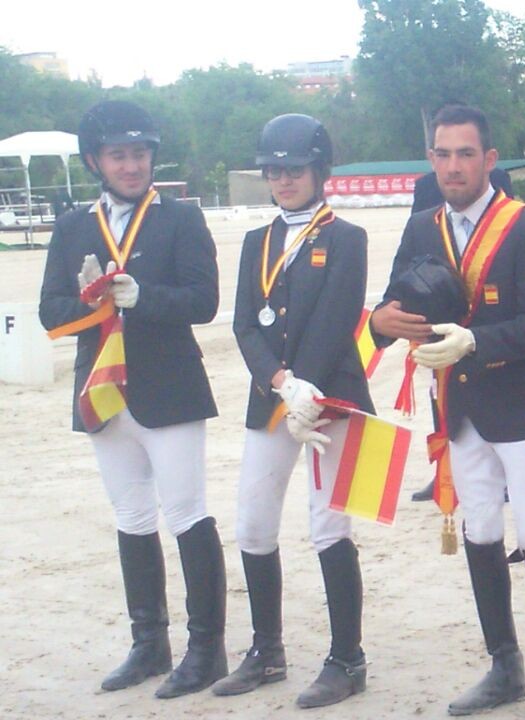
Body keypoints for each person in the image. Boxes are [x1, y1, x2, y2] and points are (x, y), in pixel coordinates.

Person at [370, 104, 525, 720]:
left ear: (489, 159)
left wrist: (475, 342)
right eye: (443, 154)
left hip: (521, 405)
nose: (453, 166)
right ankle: (503, 666)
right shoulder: (421, 227)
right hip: (458, 407)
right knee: (480, 530)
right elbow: (392, 301)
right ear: (430, 159)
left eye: (465, 154)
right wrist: (381, 321)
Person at [38, 100, 225, 698]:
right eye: (118, 155)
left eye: (140, 154)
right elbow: (49, 311)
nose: (131, 165)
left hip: (169, 386)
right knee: (131, 516)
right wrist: (92, 303)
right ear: (95, 161)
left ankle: (207, 649)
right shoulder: (72, 225)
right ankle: (149, 643)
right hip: (102, 390)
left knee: (187, 513)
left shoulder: (181, 218)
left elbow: (204, 301)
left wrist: (144, 296)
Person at [211, 114, 373, 708]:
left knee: (328, 525)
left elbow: (337, 319)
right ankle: (267, 650)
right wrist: (281, 383)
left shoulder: (347, 238)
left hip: (330, 399)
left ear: (319, 171)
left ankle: (347, 658)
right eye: (274, 171)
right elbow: (244, 324)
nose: (283, 180)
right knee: (253, 521)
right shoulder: (256, 242)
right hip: (275, 398)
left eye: (295, 170)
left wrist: (308, 387)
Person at [409, 164, 516, 504]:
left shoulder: (497, 179)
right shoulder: (426, 186)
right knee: (440, 393)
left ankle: (506, 471)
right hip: (441, 307)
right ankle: (445, 469)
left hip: (491, 309)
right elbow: (415, 251)